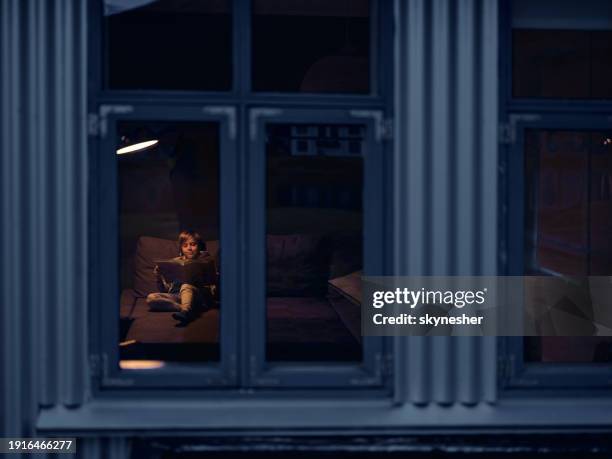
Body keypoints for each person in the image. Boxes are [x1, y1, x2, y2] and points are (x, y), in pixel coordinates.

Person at [146, 230, 212, 324]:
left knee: (186, 286)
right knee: (151, 298)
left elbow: (211, 286)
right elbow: (165, 290)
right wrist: (159, 277)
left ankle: (186, 311)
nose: (189, 248)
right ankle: (185, 308)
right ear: (181, 249)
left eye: (193, 244)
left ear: (199, 246)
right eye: (185, 245)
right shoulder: (175, 262)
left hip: (196, 296)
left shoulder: (204, 260)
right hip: (176, 296)